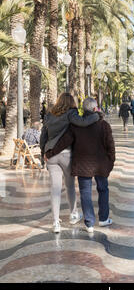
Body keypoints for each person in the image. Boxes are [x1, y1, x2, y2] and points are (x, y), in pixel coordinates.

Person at [45, 98, 115, 234]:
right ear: (95, 109)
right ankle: (103, 219)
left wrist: (50, 153)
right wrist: (111, 162)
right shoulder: (104, 125)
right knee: (103, 189)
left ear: (83, 109)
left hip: (83, 165)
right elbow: (110, 146)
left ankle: (89, 223)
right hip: (100, 164)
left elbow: (64, 142)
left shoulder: (75, 126)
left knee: (85, 193)